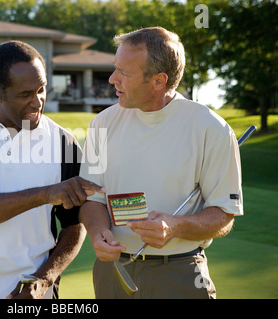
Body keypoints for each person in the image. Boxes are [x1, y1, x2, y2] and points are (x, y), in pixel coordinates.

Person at [0, 40, 105, 299]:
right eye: (26, 94)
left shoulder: (63, 141)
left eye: (42, 89)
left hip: (34, 297)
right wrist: (47, 194)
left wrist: (44, 279)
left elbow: (73, 226)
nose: (38, 102)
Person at [79, 27, 243, 299]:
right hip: (113, 273)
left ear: (158, 80)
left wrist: (175, 225)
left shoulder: (211, 128)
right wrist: (97, 232)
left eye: (124, 73)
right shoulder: (101, 124)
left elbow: (224, 215)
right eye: (115, 68)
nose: (112, 79)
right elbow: (93, 199)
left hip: (180, 272)